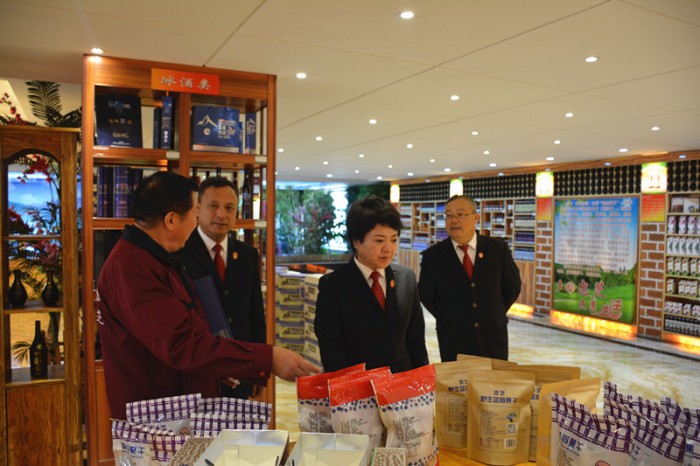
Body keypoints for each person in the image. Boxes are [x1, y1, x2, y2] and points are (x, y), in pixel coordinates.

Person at [96, 171, 319, 418]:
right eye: (195, 213)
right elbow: (180, 344)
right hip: (157, 417)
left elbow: (192, 328)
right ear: (171, 220)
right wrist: (267, 358)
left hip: (181, 408)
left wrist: (221, 371)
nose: (197, 222)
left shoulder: (157, 259)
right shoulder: (133, 268)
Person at [314, 195, 429, 373]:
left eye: (394, 239)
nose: (388, 249)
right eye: (379, 240)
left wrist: (423, 380)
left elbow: (416, 341)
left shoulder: (407, 278)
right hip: (358, 385)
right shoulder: (333, 285)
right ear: (356, 241)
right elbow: (331, 349)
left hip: (402, 383)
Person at [178, 176, 267, 399]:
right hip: (199, 374)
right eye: (213, 206)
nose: (221, 214)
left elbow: (255, 315)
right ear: (198, 209)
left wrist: (258, 370)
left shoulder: (247, 255)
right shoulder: (180, 253)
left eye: (229, 208)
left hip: (241, 370)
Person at [418, 195, 521, 362]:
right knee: (458, 378)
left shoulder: (497, 249)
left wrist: (493, 312)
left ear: (475, 218)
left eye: (460, 214)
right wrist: (449, 316)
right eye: (449, 215)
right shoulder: (433, 256)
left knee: (494, 377)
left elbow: (512, 287)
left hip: (492, 335)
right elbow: (426, 294)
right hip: (454, 337)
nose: (454, 220)